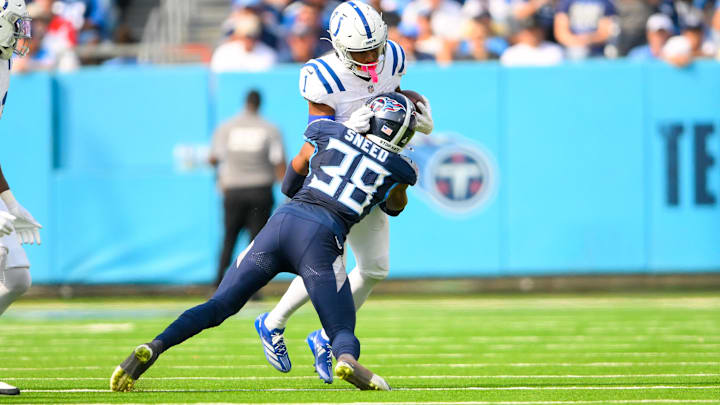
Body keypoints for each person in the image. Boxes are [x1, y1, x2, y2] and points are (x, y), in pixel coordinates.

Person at [110, 92, 420, 393]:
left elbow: (293, 175)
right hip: (320, 242)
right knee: (340, 330)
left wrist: (344, 137)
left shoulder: (329, 131)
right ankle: (347, 359)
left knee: (219, 305)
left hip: (282, 223)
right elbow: (394, 208)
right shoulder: (400, 169)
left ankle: (155, 346)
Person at [254, 1, 433, 384]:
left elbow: (392, 98)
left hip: (373, 172)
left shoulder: (394, 56)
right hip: (336, 177)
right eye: (360, 51)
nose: (370, 58)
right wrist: (349, 129)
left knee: (375, 266)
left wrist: (413, 113)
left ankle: (315, 333)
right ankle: (276, 322)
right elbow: (317, 139)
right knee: (327, 263)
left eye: (374, 48)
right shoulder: (321, 76)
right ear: (337, 46)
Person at [0, 0, 43, 396]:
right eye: (16, 24)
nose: (22, 32)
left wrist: (10, 202)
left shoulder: (4, 66)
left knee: (16, 278)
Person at [209, 89, 286, 287]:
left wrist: (221, 176)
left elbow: (214, 158)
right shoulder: (269, 128)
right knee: (256, 242)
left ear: (245, 103)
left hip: (234, 188)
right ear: (259, 104)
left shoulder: (227, 127)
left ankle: (219, 283)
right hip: (260, 189)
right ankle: (251, 287)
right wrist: (287, 191)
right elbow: (278, 162)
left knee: (229, 237)